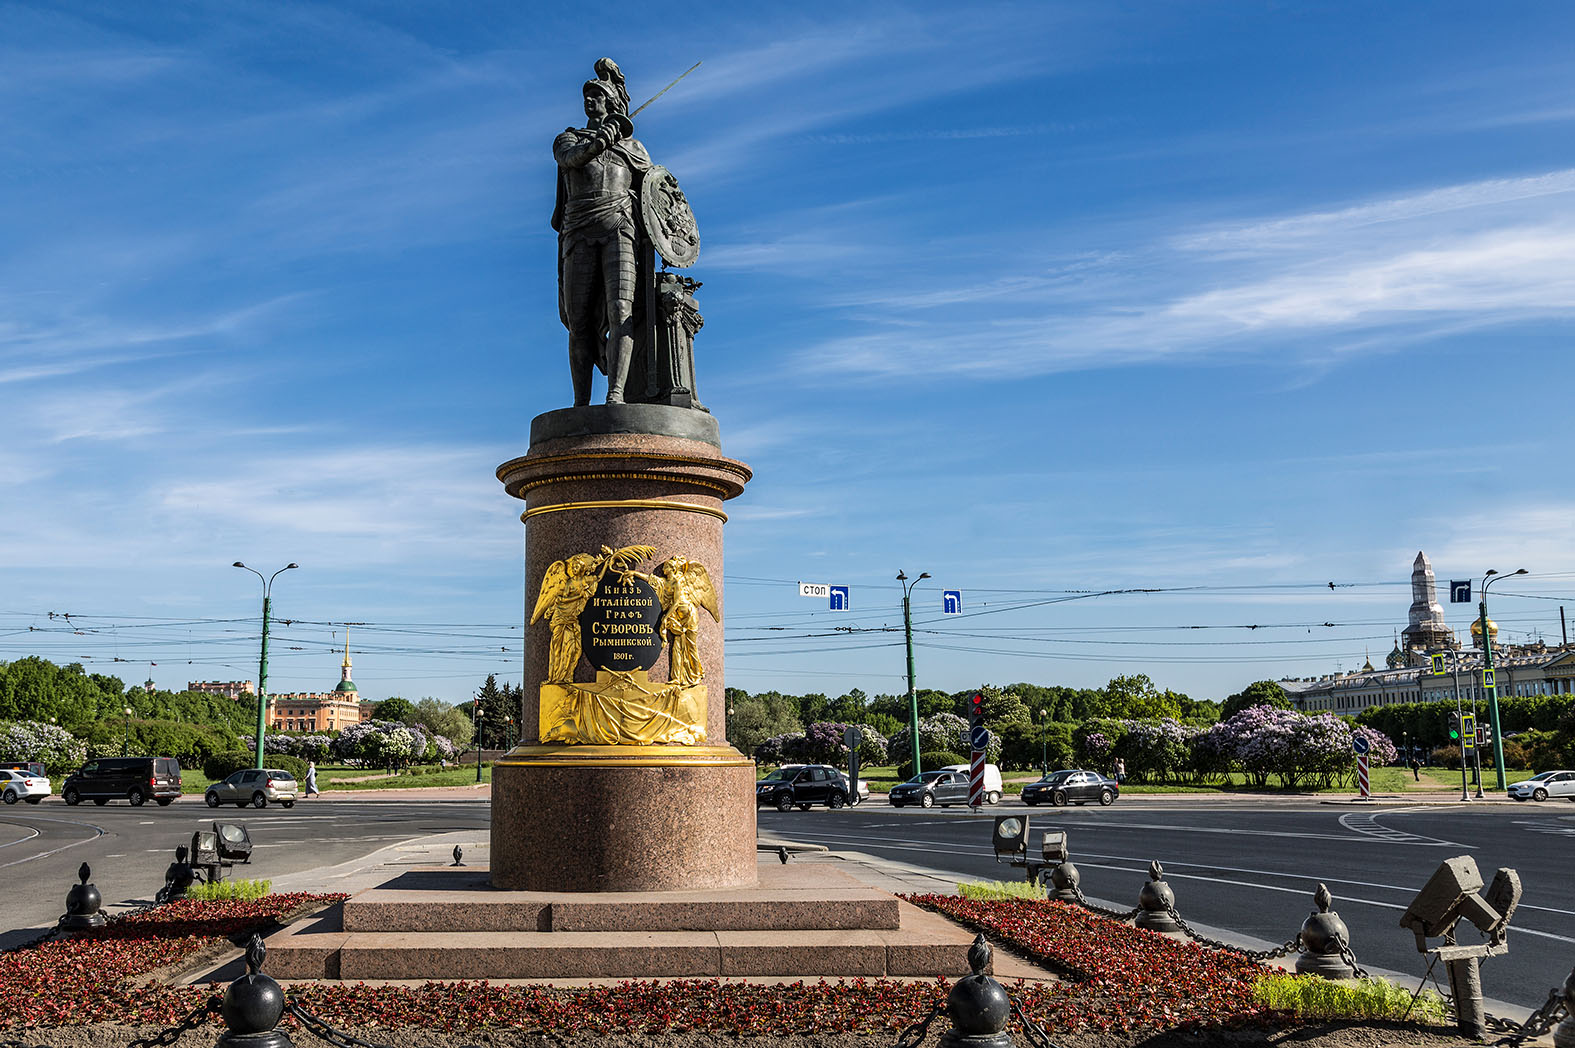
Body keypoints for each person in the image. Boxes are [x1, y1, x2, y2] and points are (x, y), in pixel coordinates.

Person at [552, 60, 654, 406]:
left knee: (620, 311)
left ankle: (616, 394)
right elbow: (570, 159)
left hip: (619, 230)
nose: (589, 100)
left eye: (597, 95)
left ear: (612, 102)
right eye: (587, 96)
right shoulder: (568, 138)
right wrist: (599, 141)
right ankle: (581, 403)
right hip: (579, 230)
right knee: (578, 321)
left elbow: (656, 196)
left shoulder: (634, 151)